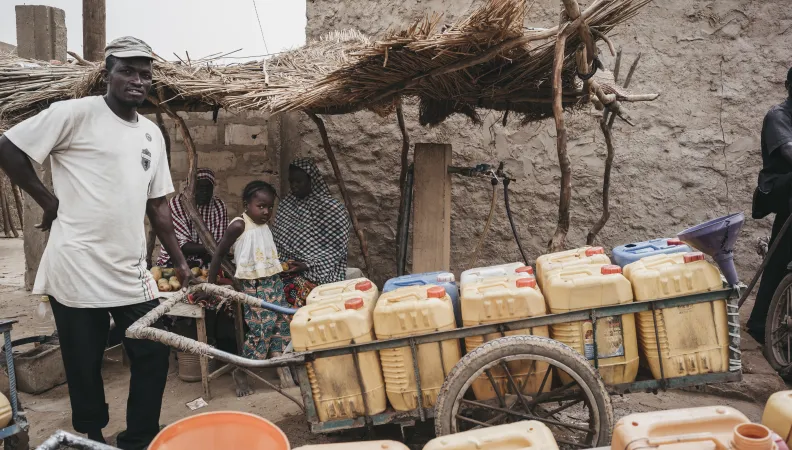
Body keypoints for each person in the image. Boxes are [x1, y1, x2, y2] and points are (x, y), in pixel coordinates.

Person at [0, 37, 194, 449]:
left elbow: (158, 206)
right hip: (77, 264)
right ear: (107, 72)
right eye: (127, 70)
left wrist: (177, 260)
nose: (137, 80)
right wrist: (48, 200)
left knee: (153, 350)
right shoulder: (74, 114)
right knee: (84, 362)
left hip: (128, 270)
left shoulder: (151, 135)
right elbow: (8, 148)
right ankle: (92, 435)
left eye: (145, 74)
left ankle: (139, 437)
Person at [206, 180, 294, 395]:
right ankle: (242, 370)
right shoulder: (239, 224)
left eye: (270, 207)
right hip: (254, 286)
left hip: (273, 281)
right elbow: (218, 253)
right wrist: (210, 282)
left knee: (282, 323)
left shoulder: (264, 225)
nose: (266, 211)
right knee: (260, 329)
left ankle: (281, 365)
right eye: (261, 206)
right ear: (247, 205)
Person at [750, 67, 792, 345]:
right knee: (777, 261)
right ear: (789, 86)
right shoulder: (778, 116)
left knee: (779, 260)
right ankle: (759, 324)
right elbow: (789, 153)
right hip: (785, 193)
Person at [273, 158, 351, 306]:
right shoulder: (285, 206)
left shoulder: (332, 208)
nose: (294, 186)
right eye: (291, 182)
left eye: (299, 181)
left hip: (322, 269)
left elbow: (336, 249)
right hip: (288, 268)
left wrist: (308, 264)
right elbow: (278, 242)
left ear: (311, 180)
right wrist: (285, 263)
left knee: (298, 292)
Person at [156, 167, 228, 268]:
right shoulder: (176, 204)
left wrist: (211, 252)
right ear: (190, 187)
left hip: (209, 257)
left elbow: (221, 241)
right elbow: (182, 246)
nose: (204, 192)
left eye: (208, 188)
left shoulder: (218, 206)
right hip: (179, 258)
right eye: (199, 188)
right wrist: (214, 248)